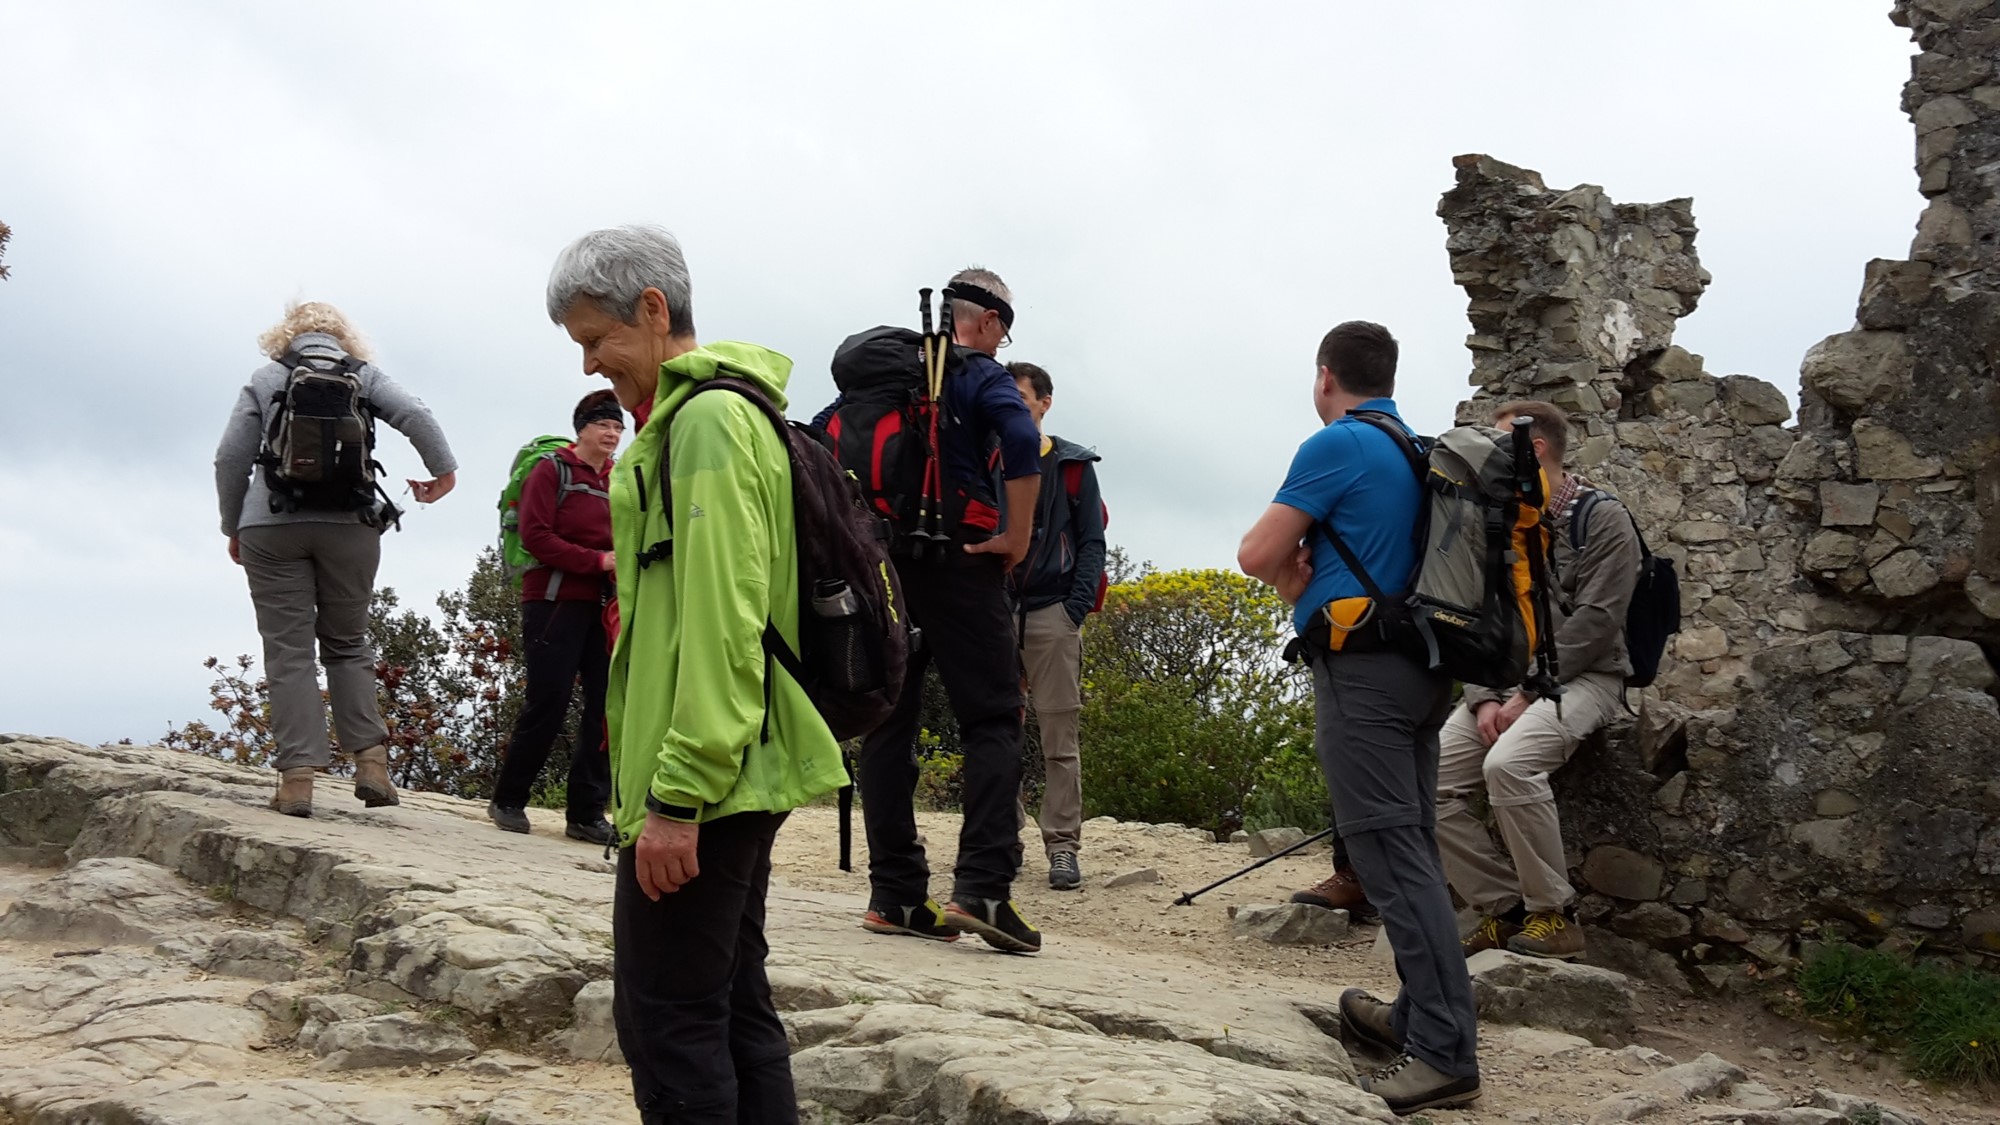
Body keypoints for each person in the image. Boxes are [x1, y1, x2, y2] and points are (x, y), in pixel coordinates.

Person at [547, 224, 845, 1124]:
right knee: (730, 1005)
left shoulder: (708, 423)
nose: (590, 365)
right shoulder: (710, 416)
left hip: (708, 778)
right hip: (733, 766)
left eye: (597, 338)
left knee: (668, 1022)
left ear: (652, 308)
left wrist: (677, 795)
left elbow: (724, 618)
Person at [1236, 321, 1479, 1114]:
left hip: (1365, 676)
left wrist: (1289, 576)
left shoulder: (1339, 442)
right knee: (1411, 847)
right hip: (1423, 672)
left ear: (1325, 375)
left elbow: (1256, 552)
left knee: (1387, 855)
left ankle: (1442, 1051)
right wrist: (1298, 581)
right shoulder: (1414, 448)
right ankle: (1417, 1014)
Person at [853, 268, 1046, 952]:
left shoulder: (880, 378)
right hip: (962, 556)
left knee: (889, 722)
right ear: (989, 321)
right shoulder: (981, 373)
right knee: (993, 716)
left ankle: (896, 895)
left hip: (884, 562)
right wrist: (1017, 536)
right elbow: (1021, 441)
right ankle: (983, 887)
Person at [215, 301, 457, 818]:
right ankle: (371, 764)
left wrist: (233, 524)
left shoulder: (266, 377)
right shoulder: (363, 375)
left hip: (271, 526)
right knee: (348, 644)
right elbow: (415, 414)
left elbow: (230, 457)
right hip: (351, 524)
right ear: (344, 337)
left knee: (289, 650)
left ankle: (297, 782)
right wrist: (444, 472)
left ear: (285, 335)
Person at [1437, 400, 1640, 962]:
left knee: (1509, 765)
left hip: (1587, 677)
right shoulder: (1498, 520)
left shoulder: (1603, 519)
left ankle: (1555, 914)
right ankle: (1504, 910)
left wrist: (1528, 692)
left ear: (1536, 448)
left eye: (1502, 444)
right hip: (1501, 681)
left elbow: (1598, 620)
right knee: (1425, 780)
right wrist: (1483, 697)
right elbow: (1478, 615)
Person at [486, 390, 623, 845]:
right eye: (603, 425)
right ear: (581, 428)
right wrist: (598, 561)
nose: (612, 434)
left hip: (604, 607)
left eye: (618, 427)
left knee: (606, 706)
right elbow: (536, 536)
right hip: (552, 600)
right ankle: (509, 800)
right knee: (549, 700)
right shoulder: (552, 470)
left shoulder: (619, 479)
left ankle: (587, 813)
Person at [1004, 361, 1105, 891]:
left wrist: (1074, 608)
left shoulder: (1072, 467)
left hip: (1052, 612)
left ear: (1045, 403)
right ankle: (1003, 838)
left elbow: (1091, 541)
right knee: (996, 731)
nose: (1011, 408)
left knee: (1059, 738)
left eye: (1021, 399)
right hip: (996, 610)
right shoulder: (988, 457)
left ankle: (1062, 846)